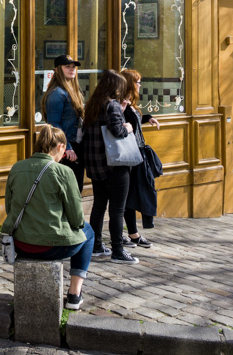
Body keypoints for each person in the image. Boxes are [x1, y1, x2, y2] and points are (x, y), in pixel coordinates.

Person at [3, 126, 95, 310]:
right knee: (89, 232)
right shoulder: (63, 172)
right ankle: (74, 294)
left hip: (21, 243)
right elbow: (77, 219)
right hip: (53, 246)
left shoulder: (17, 168)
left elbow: (9, 207)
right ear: (61, 147)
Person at [81, 69, 139, 264]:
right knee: (117, 210)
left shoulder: (91, 105)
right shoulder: (111, 104)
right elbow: (117, 130)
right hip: (114, 165)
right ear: (116, 87)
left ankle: (96, 245)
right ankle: (118, 251)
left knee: (98, 206)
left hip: (95, 165)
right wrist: (128, 127)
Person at [120, 69, 160, 249]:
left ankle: (132, 233)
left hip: (137, 153)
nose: (139, 85)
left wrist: (148, 118)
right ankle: (131, 234)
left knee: (137, 193)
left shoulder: (130, 103)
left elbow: (134, 124)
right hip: (129, 155)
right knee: (129, 195)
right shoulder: (121, 104)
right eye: (137, 81)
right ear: (129, 83)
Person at [42, 54, 86, 192]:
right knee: (70, 191)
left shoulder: (71, 91)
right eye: (67, 66)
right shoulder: (57, 93)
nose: (72, 69)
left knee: (76, 189)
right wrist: (67, 147)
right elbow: (54, 124)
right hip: (66, 148)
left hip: (76, 145)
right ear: (57, 70)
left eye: (73, 67)